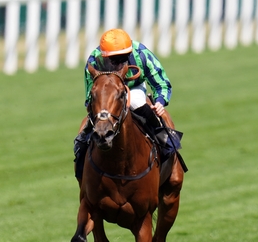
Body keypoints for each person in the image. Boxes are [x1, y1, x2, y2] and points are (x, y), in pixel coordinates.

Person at [74, 28, 180, 166]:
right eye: (114, 59)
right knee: (97, 116)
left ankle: (164, 140)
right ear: (104, 55)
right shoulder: (94, 60)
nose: (119, 63)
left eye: (123, 58)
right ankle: (82, 146)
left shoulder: (141, 53)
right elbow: (90, 95)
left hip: (133, 86)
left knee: (136, 102)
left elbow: (161, 83)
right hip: (107, 91)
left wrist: (160, 102)